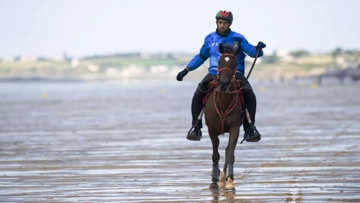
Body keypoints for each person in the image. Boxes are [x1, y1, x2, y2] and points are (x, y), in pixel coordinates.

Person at [176, 10, 266, 142]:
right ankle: (196, 127)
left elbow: (253, 53)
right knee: (198, 94)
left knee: (250, 94)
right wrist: (187, 69)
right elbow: (201, 56)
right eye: (220, 22)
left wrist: (258, 49)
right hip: (214, 73)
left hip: (235, 73)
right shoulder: (209, 38)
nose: (222, 25)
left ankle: (249, 129)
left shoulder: (238, 38)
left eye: (225, 23)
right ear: (216, 23)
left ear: (230, 24)